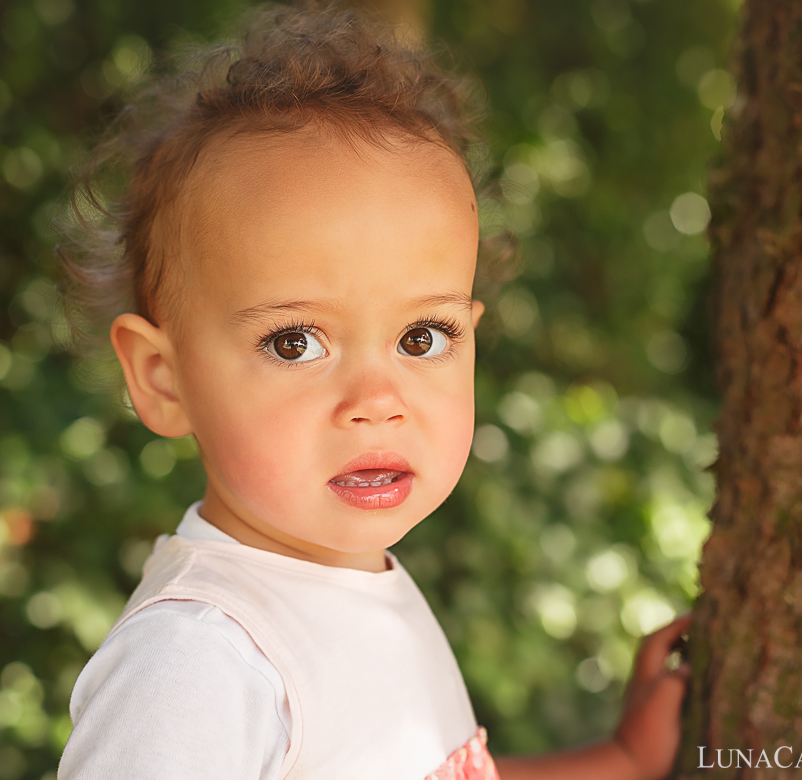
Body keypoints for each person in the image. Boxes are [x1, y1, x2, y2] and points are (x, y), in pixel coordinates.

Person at [56, 5, 690, 779]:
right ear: (163, 378)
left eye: (422, 338)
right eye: (295, 342)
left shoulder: (350, 587)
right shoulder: (200, 661)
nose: (376, 398)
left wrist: (617, 760)